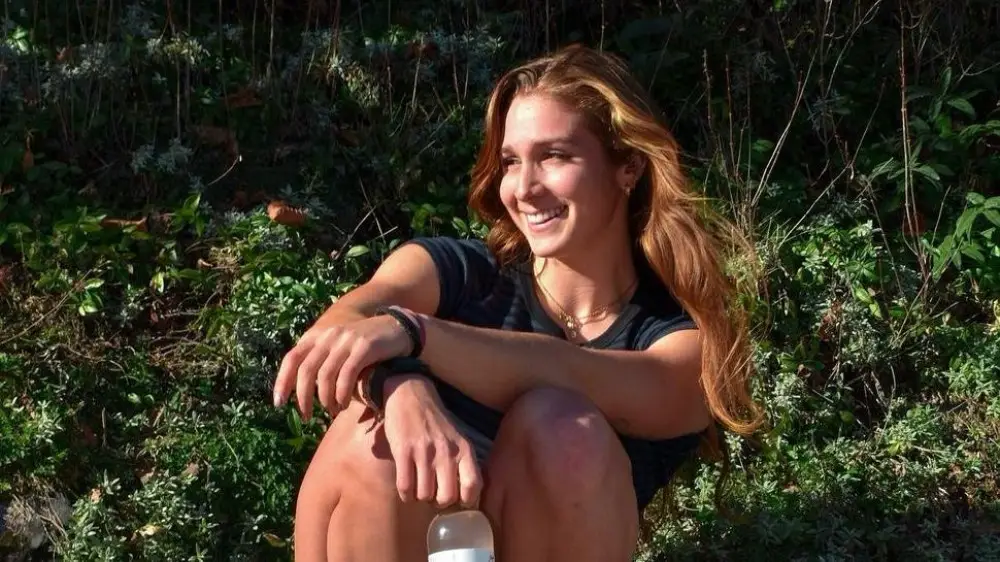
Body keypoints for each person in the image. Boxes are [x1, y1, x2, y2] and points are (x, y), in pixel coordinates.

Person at [272, 44, 763, 562]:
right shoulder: (455, 272)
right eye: (511, 161)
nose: (524, 188)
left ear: (628, 167)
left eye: (554, 156)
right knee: (375, 444)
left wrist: (414, 336)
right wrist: (399, 383)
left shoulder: (678, 344)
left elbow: (572, 372)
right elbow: (338, 330)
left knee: (561, 426)